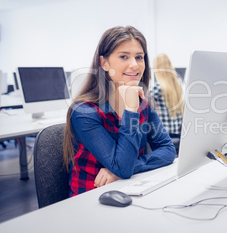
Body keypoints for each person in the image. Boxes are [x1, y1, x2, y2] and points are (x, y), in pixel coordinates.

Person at [63, 26, 176, 196]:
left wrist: (131, 167)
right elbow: (123, 168)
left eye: (139, 57)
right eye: (124, 56)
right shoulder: (84, 112)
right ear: (104, 63)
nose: (134, 64)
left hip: (131, 188)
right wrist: (130, 110)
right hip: (91, 197)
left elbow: (168, 150)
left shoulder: (144, 105)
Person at [149, 53, 184, 154]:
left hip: (164, 136)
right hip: (177, 135)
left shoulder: (158, 87)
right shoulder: (178, 85)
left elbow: (142, 100)